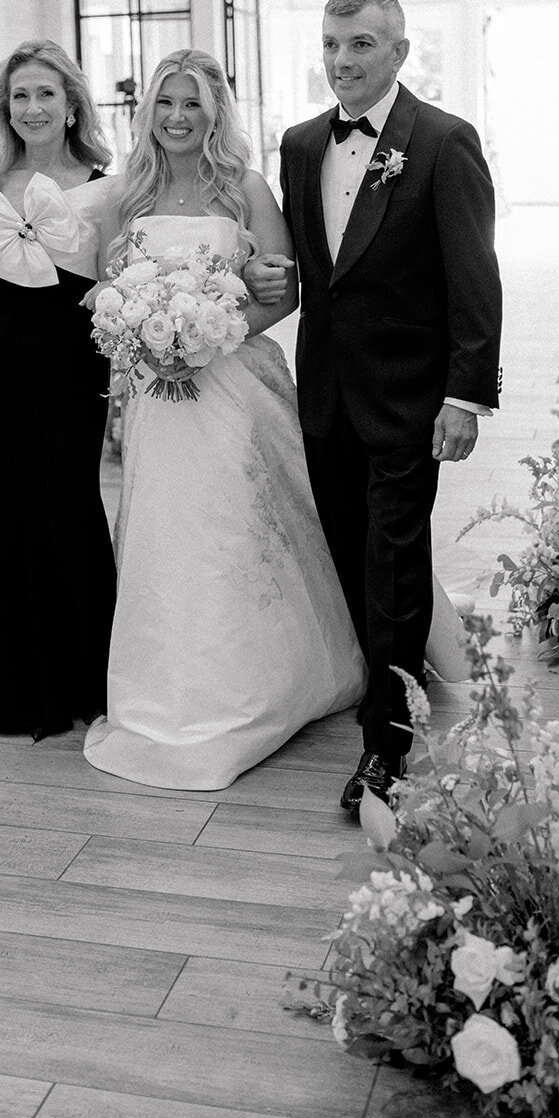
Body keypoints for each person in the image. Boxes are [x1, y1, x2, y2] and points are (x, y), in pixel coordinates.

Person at [82, 48, 366, 792]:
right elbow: (102, 296)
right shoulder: (123, 195)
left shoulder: (242, 189)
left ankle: (262, 684)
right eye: (166, 103)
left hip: (230, 385)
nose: (177, 118)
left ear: (215, 114)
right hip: (152, 398)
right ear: (149, 112)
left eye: (193, 105)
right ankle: (165, 689)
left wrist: (206, 332)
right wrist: (145, 337)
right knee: (161, 534)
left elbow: (285, 290)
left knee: (231, 528)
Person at [248, 0, 502, 813]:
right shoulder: (296, 144)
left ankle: (384, 749)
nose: (341, 61)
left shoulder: (441, 142)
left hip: (408, 396)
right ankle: (393, 693)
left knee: (390, 561)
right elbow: (303, 271)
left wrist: (465, 395)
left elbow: (474, 276)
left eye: (359, 44)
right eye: (329, 44)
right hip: (323, 391)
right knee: (355, 557)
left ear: (398, 52)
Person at [0, 41, 116, 736]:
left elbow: (117, 284)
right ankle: (12, 691)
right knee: (3, 513)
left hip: (74, 368)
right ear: (3, 107)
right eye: (19, 96)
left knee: (68, 507)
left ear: (71, 104)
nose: (31, 108)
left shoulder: (107, 183)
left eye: (45, 94)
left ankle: (81, 682)